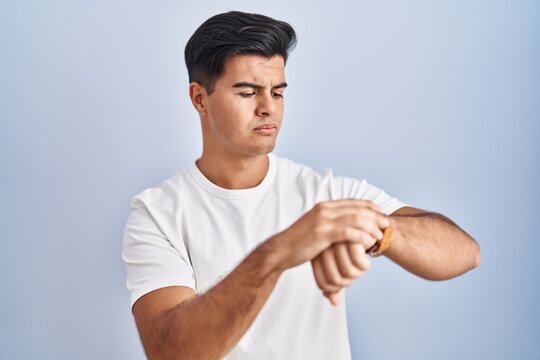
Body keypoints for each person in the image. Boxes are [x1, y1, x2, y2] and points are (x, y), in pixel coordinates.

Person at [122, 10, 480, 360]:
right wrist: (278, 253)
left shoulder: (327, 196)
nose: (268, 108)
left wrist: (373, 227)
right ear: (200, 98)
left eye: (277, 92)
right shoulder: (157, 213)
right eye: (247, 93)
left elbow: (465, 253)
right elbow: (171, 353)